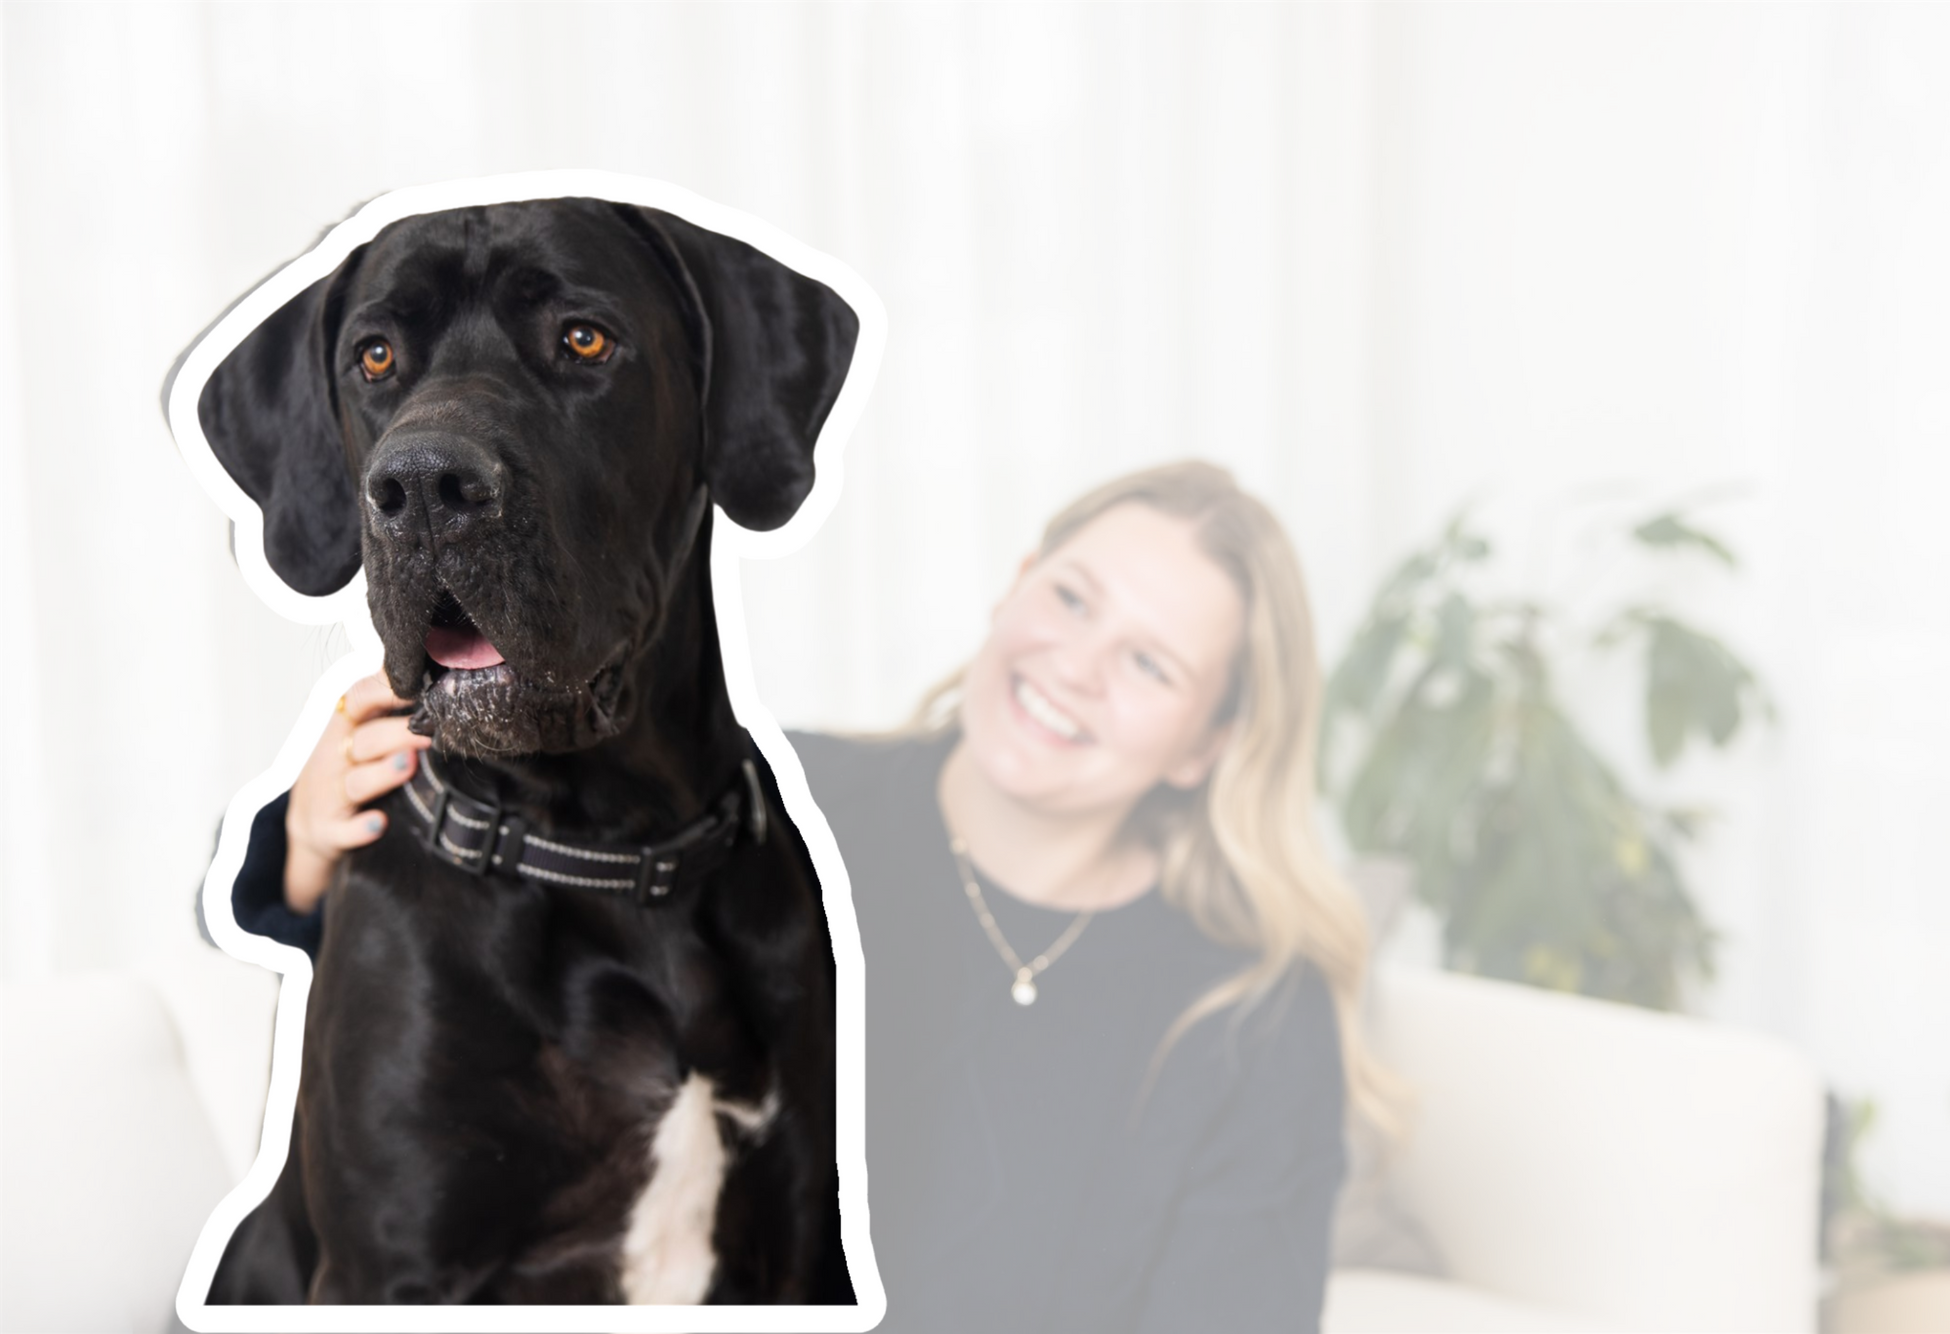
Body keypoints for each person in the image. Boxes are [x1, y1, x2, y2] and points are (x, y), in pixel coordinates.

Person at [226, 460, 1382, 1330]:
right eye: (1074, 598)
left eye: (1149, 663)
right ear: (1016, 587)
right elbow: (464, 981)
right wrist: (311, 850)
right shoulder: (761, 808)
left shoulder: (1250, 1011)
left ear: (1207, 742)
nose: (1076, 665)